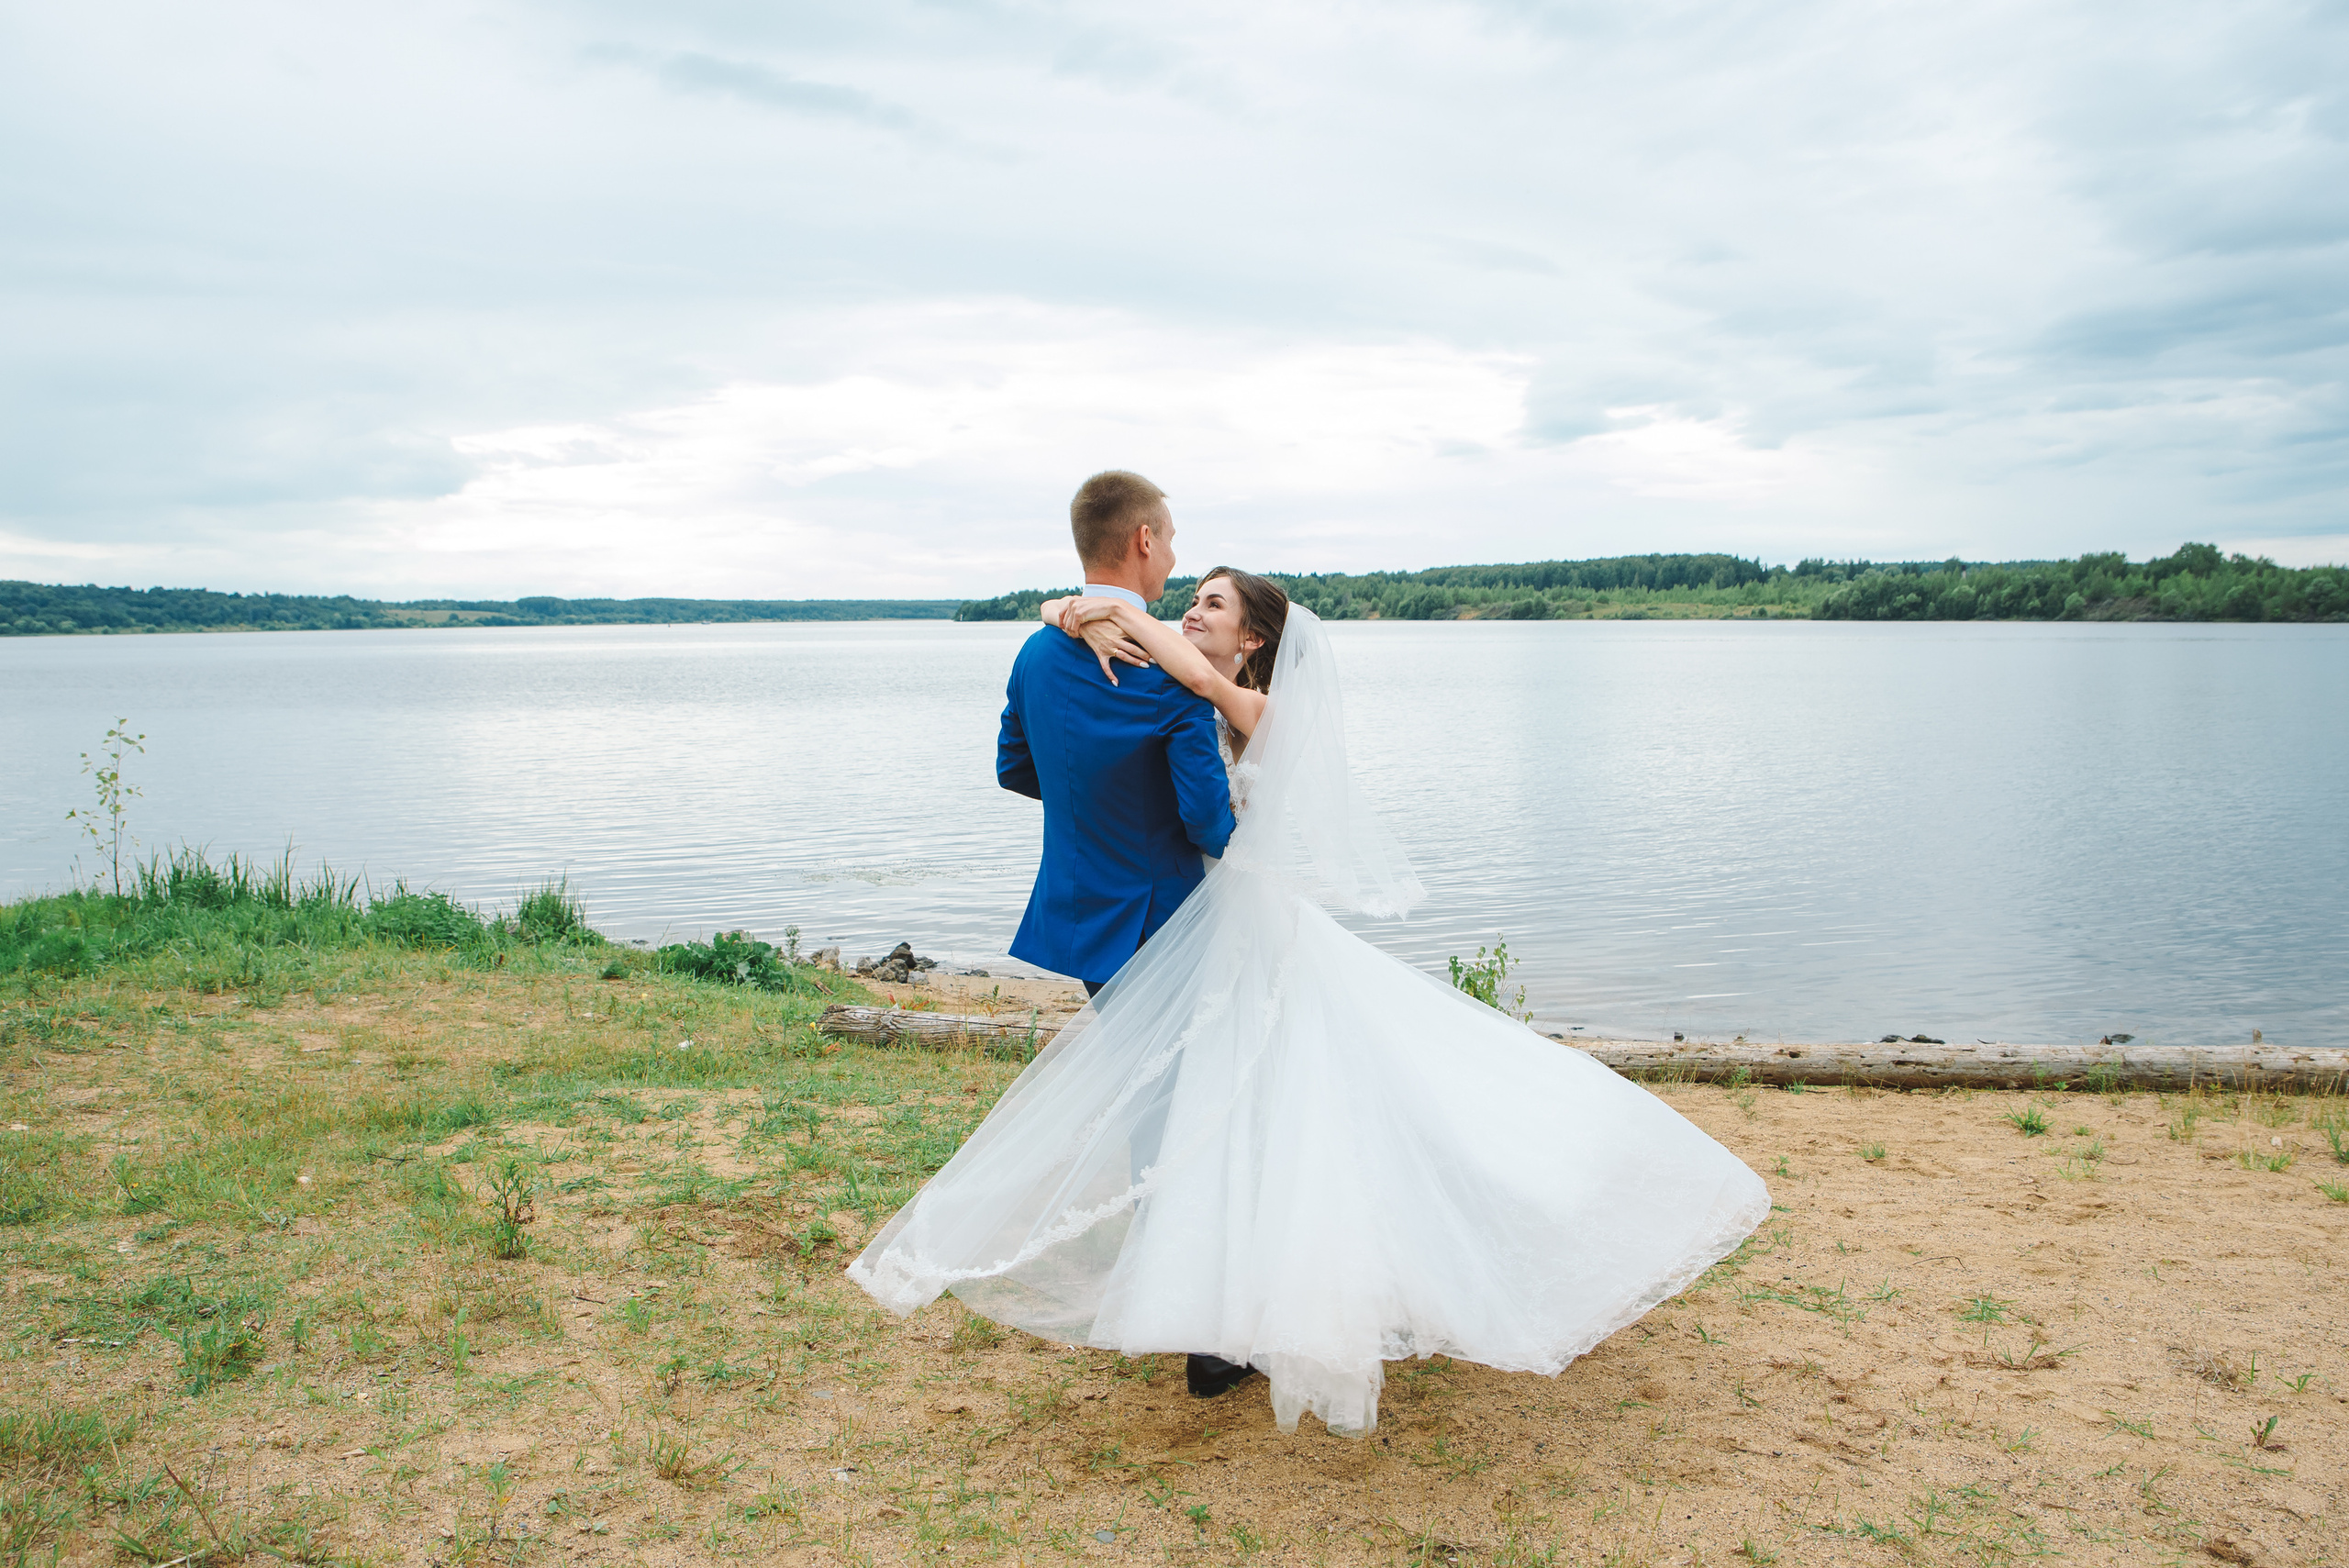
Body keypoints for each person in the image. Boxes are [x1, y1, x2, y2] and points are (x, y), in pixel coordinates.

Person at [849, 481, 1770, 1436]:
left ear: (1250, 640)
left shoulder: (1054, 654)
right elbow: (1207, 818)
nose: (1187, 596)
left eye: (1212, 601)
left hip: (1095, 920)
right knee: (1219, 1110)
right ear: (1144, 538)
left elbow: (1017, 764)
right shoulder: (1149, 670)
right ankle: (1210, 1317)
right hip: (1186, 918)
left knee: (1191, 1114)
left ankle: (1215, 1314)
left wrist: (1085, 666)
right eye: (1181, 573)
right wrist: (1118, 676)